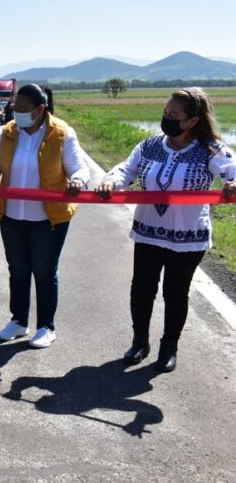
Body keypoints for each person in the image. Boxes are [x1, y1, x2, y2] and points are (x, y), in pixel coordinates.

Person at [96, 87, 236, 372]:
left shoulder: (210, 149)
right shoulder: (149, 145)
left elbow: (233, 171)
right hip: (148, 231)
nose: (166, 118)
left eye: (173, 115)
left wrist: (232, 184)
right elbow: (126, 170)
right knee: (142, 289)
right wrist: (110, 181)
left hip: (187, 236)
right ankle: (139, 341)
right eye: (165, 112)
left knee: (175, 293)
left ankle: (169, 345)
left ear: (192, 120)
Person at [0, 84, 89, 349]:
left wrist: (78, 181)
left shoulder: (62, 133)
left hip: (48, 219)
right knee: (18, 270)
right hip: (12, 215)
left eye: (23, 109)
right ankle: (18, 321)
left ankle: (46, 326)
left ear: (40, 109)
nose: (17, 114)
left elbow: (79, 169)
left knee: (45, 272)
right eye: (15, 108)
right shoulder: (7, 132)